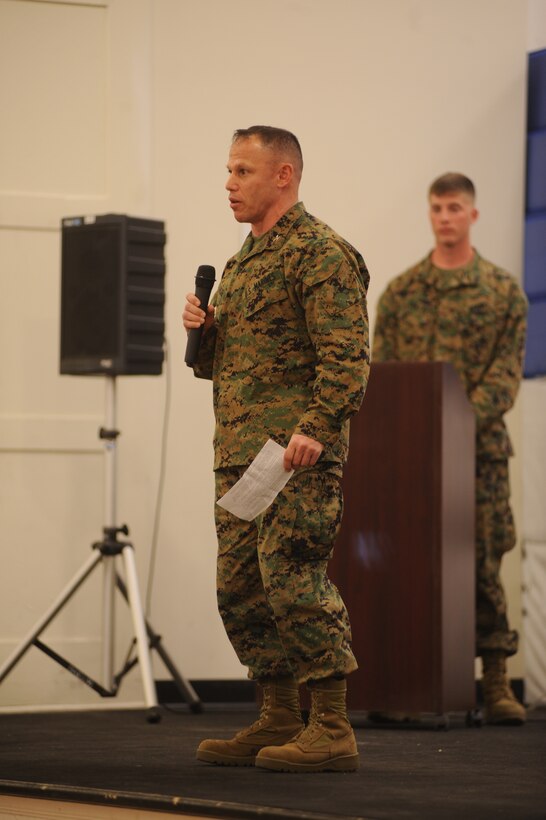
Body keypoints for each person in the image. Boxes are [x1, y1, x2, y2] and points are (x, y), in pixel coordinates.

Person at [182, 126, 370, 772]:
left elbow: (347, 357)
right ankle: (280, 713)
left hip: (296, 456)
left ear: (283, 176)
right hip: (242, 457)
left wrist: (316, 428)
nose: (229, 184)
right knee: (239, 587)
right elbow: (223, 367)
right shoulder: (242, 262)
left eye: (242, 171)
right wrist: (204, 334)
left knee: (291, 576)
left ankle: (333, 726)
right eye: (229, 171)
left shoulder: (319, 253)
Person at [373, 172, 527, 726]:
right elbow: (382, 374)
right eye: (437, 207)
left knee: (483, 561)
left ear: (473, 216)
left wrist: (457, 426)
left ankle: (497, 683)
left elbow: (504, 379)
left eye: (455, 207)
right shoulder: (401, 292)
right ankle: (409, 684)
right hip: (410, 460)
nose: (445, 216)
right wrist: (410, 434)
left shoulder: (503, 291)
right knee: (410, 564)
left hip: (478, 454)